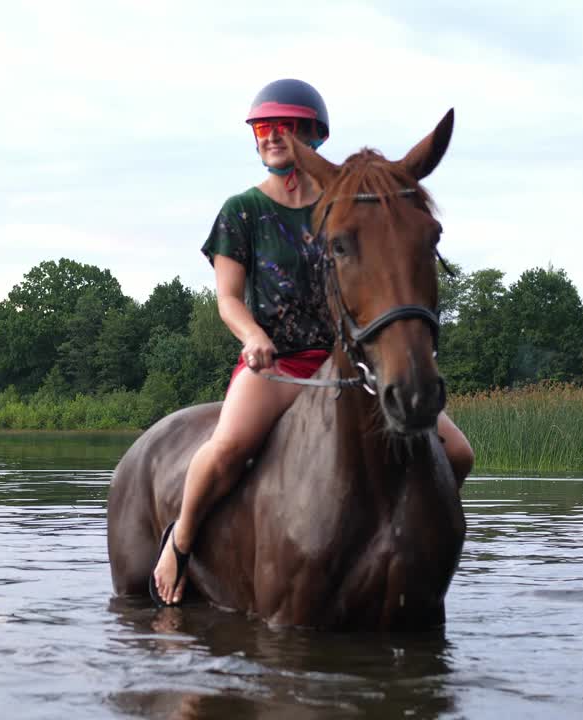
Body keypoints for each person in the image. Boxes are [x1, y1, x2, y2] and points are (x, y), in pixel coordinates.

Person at [151, 79, 474, 607]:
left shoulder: (344, 206)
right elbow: (229, 298)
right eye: (265, 128)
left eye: (289, 127)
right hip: (278, 363)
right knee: (228, 448)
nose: (275, 136)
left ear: (313, 137)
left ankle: (411, 533)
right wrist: (253, 336)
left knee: (457, 451)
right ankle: (181, 541)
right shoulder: (242, 211)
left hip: (347, 362)